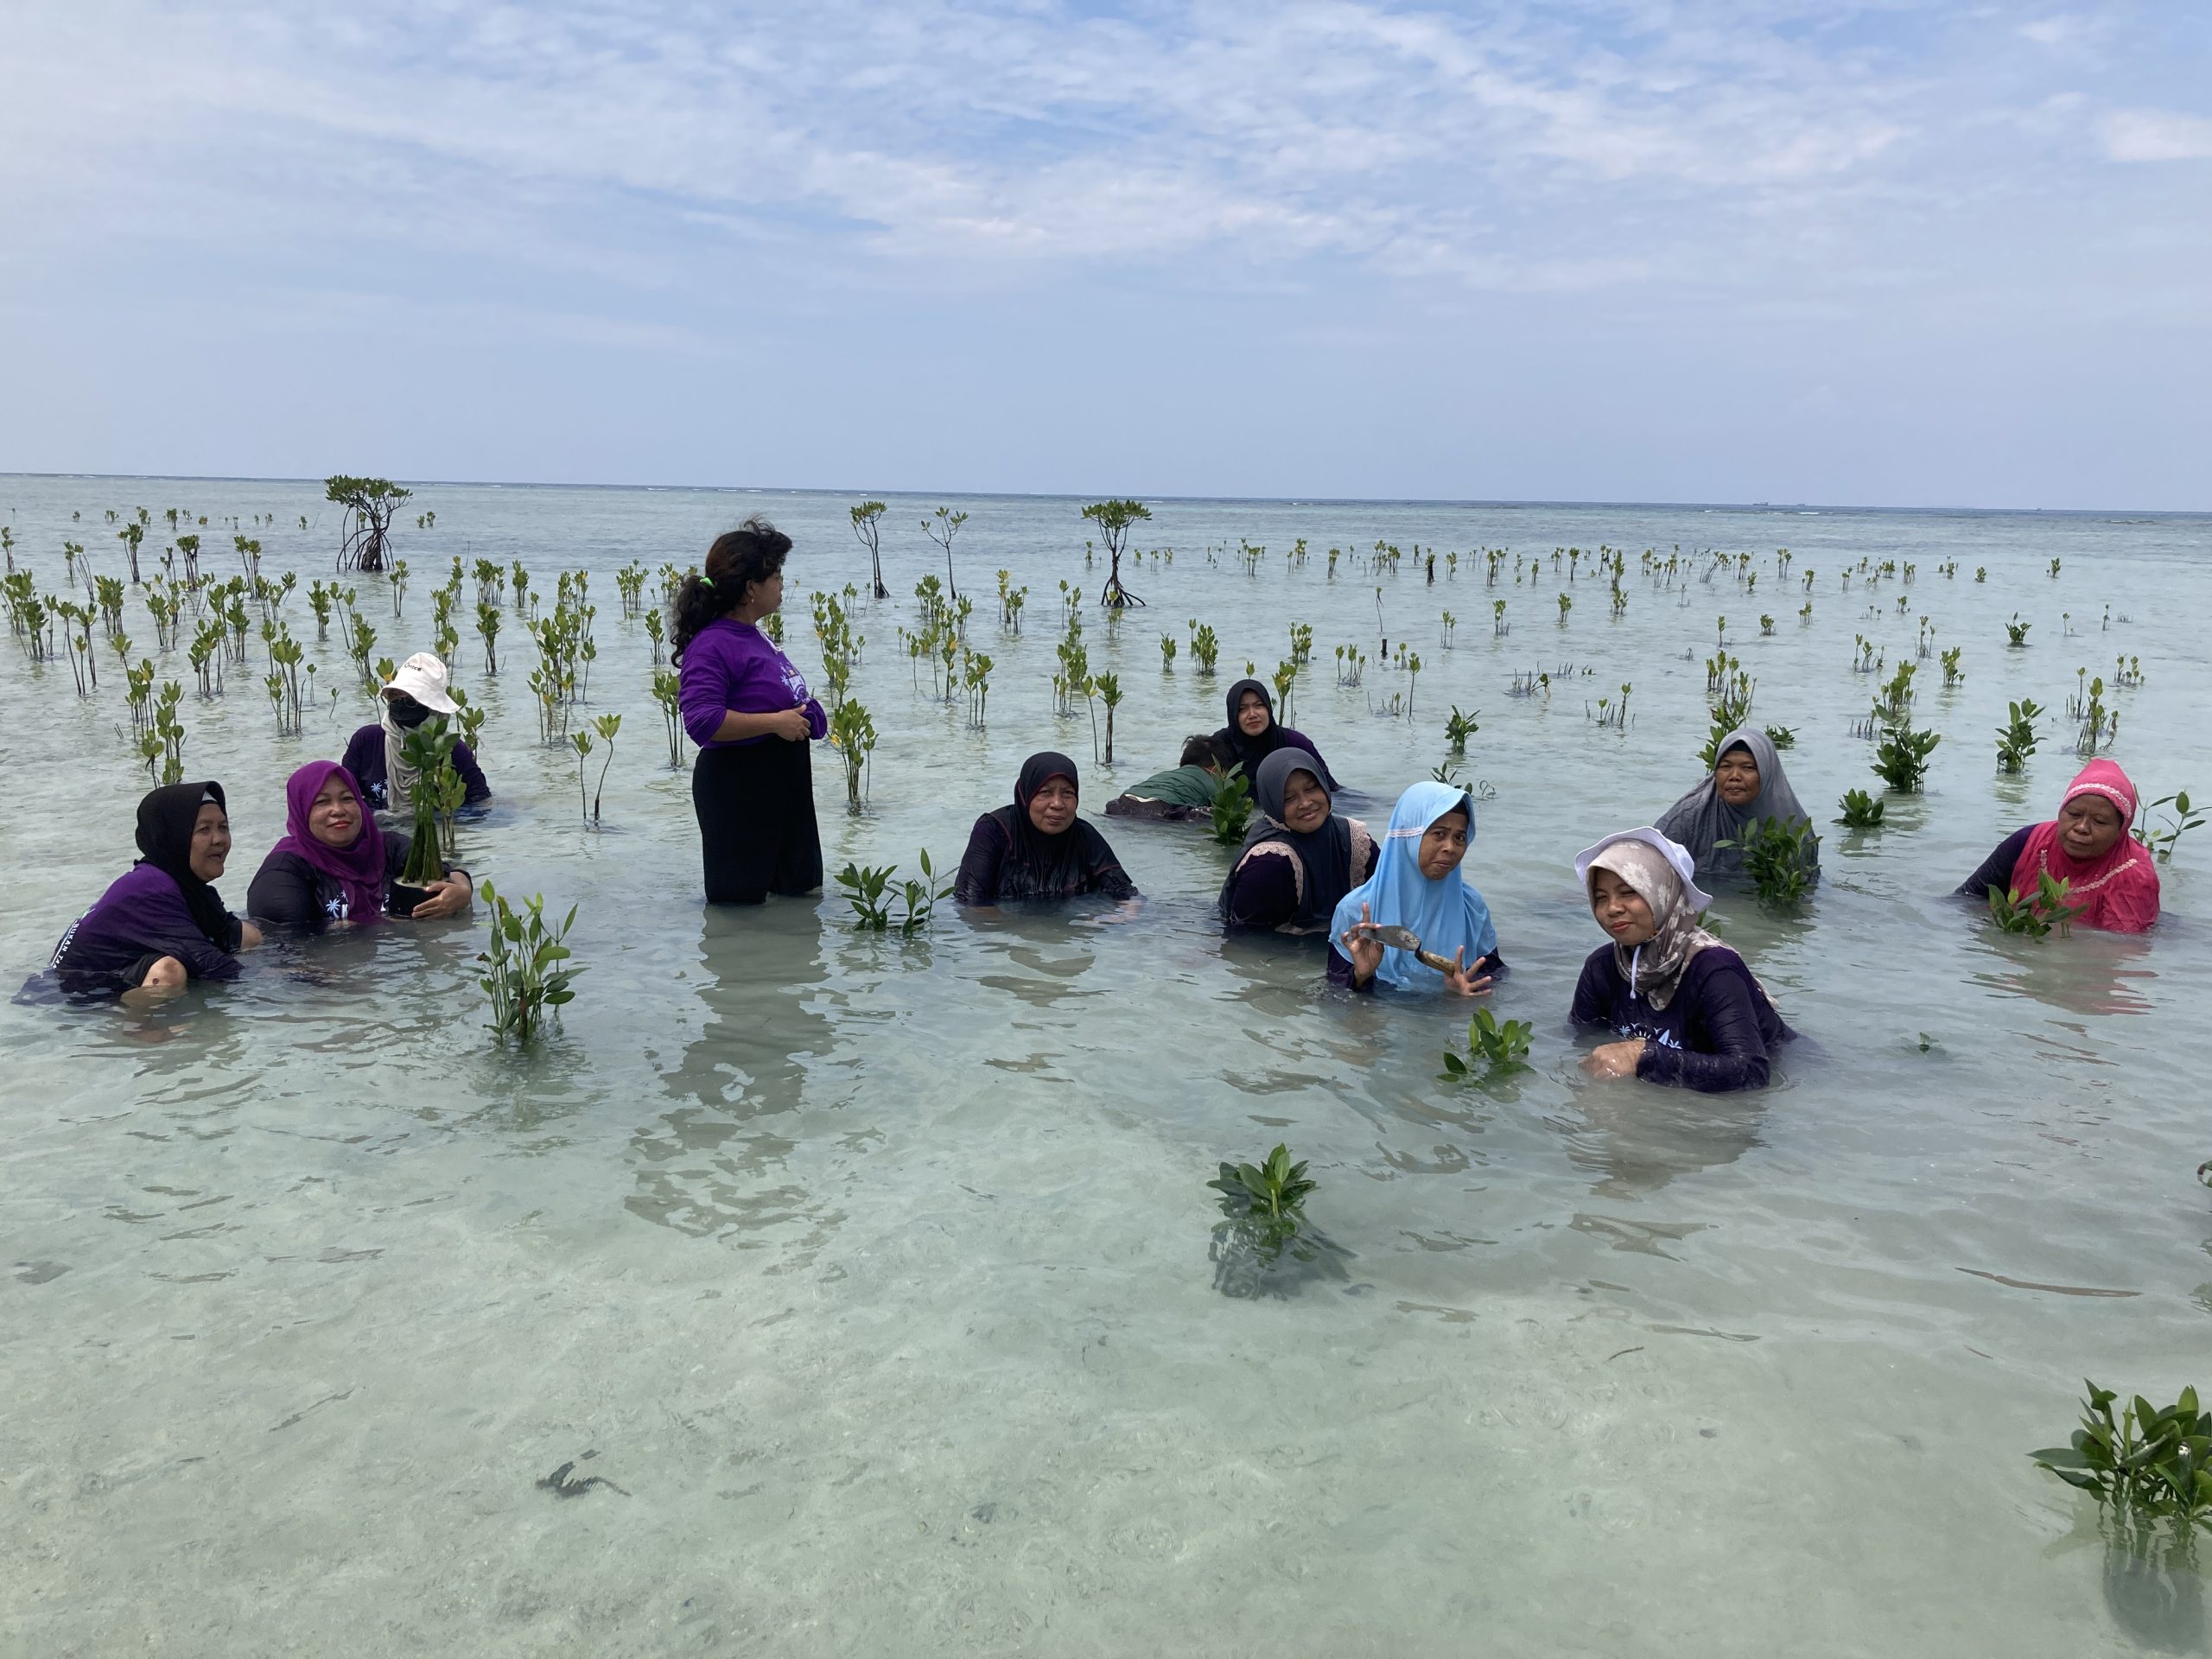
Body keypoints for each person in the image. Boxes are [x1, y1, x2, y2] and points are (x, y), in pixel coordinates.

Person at [673, 517, 828, 906]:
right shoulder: (712, 644)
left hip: (784, 786)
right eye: (775, 576)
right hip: (738, 791)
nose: (781, 585)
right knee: (738, 914)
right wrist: (776, 722)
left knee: (800, 904)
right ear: (749, 589)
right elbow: (702, 722)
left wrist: (808, 714)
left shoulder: (755, 635)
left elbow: (770, 697)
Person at [1571, 827, 1793, 1092]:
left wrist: (1644, 1055)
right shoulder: (1602, 967)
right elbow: (1580, 1040)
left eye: (1629, 892)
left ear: (1662, 894)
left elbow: (1752, 1072)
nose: (1612, 908)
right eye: (1601, 898)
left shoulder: (1715, 969)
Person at [47, 781, 263, 1001]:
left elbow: (225, 933)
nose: (219, 839)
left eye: (223, 827)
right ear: (174, 836)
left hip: (128, 965)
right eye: (204, 829)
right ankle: (132, 1027)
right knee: (168, 972)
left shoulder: (188, 886)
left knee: (247, 935)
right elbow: (208, 962)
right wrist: (276, 986)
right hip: (79, 990)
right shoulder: (150, 887)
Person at [247, 761, 473, 931]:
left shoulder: (388, 846)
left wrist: (463, 892)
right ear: (301, 811)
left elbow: (446, 871)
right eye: (322, 802)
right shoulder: (281, 873)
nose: (338, 810)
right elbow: (286, 947)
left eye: (347, 798)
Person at [1327, 780, 1501, 992]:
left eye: (1459, 837)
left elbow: (1495, 980)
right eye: (1439, 834)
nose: (1450, 847)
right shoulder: (1355, 911)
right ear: (1408, 835)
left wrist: (1462, 997)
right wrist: (1361, 976)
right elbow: (1335, 1003)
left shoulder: (1472, 907)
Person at [1955, 759, 2160, 933]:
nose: (2081, 827)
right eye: (2074, 815)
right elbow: (1967, 900)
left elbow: (2121, 948)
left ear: (2121, 829)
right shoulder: (2026, 842)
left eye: (2099, 821)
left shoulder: (2134, 875)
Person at [1221, 748, 1376, 933]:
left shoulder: (1353, 838)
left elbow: (1389, 896)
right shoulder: (1268, 863)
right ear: (1272, 804)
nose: (1305, 803)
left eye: (1311, 788)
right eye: (1288, 798)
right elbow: (1249, 944)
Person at [955, 752, 1139, 906]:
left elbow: (1126, 893)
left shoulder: (1084, 836)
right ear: (1025, 794)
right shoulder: (993, 831)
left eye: (1067, 793)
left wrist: (1119, 919)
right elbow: (970, 904)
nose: (1057, 804)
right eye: (1045, 793)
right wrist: (1032, 934)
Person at [1656, 728, 1818, 886]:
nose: (1734, 776)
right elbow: (1648, 870)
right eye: (1726, 766)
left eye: (1748, 768)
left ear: (1767, 773)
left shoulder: (1793, 830)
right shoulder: (1687, 817)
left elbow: (1806, 888)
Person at [340, 652, 491, 814]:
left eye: (410, 700)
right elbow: (343, 797)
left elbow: (480, 802)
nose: (400, 704)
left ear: (431, 707)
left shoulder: (452, 748)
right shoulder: (366, 741)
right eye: (395, 697)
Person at [1213, 679, 1342, 791]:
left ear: (1269, 708)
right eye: (1242, 709)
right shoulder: (1217, 745)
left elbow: (1330, 788)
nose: (1252, 714)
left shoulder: (1295, 743)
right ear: (1232, 714)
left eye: (1259, 705)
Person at [1103, 734, 1232, 822]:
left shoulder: (1168, 775)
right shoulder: (1212, 782)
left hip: (1121, 803)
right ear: (1214, 770)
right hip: (1160, 810)